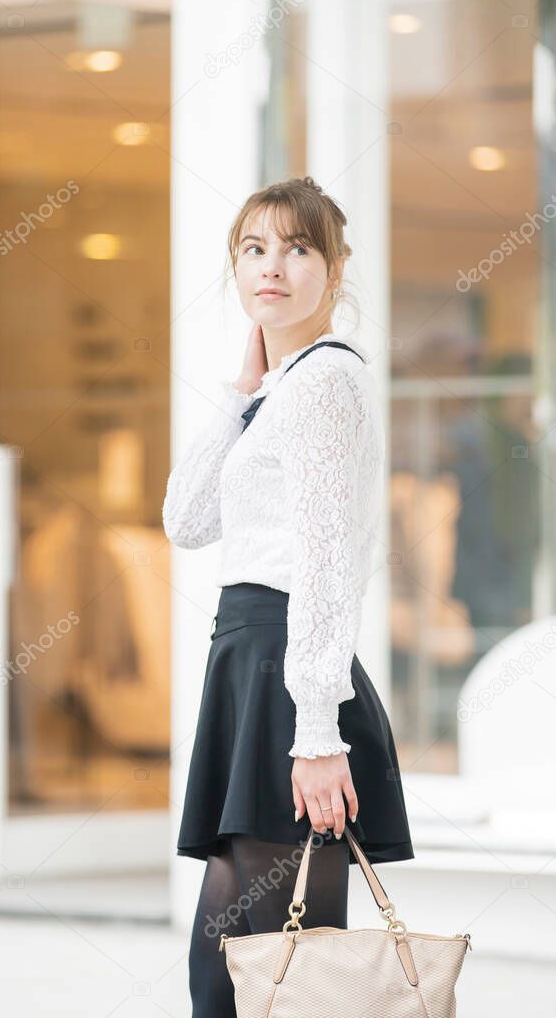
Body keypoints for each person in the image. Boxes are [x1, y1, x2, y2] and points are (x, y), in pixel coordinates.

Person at [162, 176, 414, 1018]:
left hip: (284, 672)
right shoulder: (280, 390)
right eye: (253, 249)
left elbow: (325, 560)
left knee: (273, 970)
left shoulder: (323, 384)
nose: (272, 268)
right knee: (252, 964)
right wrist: (240, 393)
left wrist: (314, 731)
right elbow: (184, 518)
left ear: (334, 270)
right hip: (252, 663)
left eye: (297, 248)